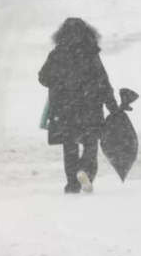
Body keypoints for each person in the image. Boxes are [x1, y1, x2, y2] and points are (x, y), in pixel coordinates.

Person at [39, 18, 118, 194]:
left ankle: (72, 184)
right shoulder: (91, 53)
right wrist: (112, 106)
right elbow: (103, 81)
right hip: (91, 107)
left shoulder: (57, 54)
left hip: (65, 108)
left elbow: (43, 77)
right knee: (91, 145)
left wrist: (59, 83)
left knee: (70, 147)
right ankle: (86, 171)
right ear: (87, 33)